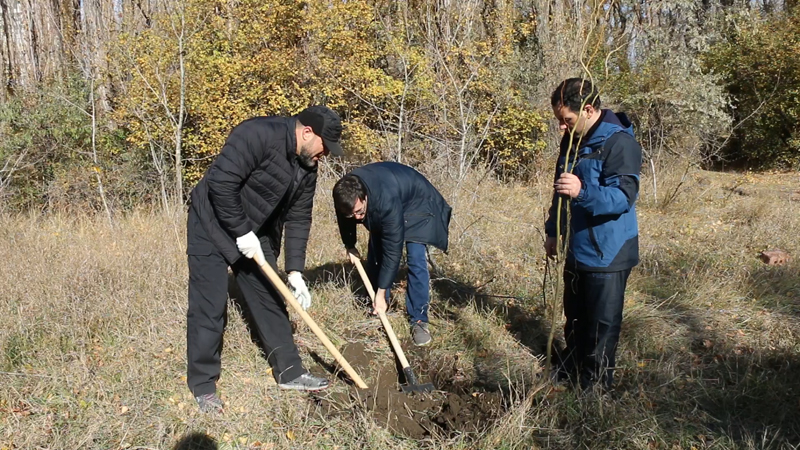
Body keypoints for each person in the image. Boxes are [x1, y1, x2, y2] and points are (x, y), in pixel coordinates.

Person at [186, 105, 343, 412]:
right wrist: (241, 232)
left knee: (271, 296)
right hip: (211, 222)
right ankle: (203, 385)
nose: (324, 155)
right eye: (324, 147)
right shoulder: (256, 134)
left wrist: (295, 271)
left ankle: (290, 371)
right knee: (210, 304)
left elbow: (299, 218)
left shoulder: (307, 165)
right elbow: (221, 184)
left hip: (255, 229)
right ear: (307, 132)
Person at [545, 78, 642, 391]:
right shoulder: (572, 141)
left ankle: (596, 387)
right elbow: (561, 192)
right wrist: (554, 231)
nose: (562, 127)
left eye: (567, 120)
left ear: (588, 109)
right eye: (559, 121)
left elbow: (623, 197)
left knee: (601, 327)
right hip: (577, 248)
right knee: (574, 319)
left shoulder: (619, 143)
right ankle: (571, 368)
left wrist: (583, 191)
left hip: (609, 252)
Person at [332, 162, 452, 346]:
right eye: (351, 214)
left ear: (364, 198)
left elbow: (392, 252)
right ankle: (376, 305)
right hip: (394, 193)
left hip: (419, 203)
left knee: (415, 257)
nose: (356, 218)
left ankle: (419, 319)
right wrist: (350, 244)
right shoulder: (343, 194)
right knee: (375, 254)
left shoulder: (385, 202)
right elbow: (344, 218)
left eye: (359, 212)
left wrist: (381, 292)